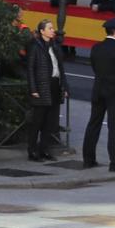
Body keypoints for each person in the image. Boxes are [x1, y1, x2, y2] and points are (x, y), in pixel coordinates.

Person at [82, 18, 115, 171]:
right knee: (114, 128)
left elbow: (94, 67)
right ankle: (114, 162)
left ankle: (88, 159)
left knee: (93, 124)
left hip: (98, 90)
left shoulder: (96, 48)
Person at [26, 19, 65, 161]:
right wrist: (33, 88)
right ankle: (32, 150)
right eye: (49, 28)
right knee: (37, 121)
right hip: (42, 86)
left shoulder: (54, 45)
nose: (53, 30)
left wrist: (64, 87)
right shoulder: (35, 46)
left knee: (49, 122)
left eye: (53, 28)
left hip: (54, 85)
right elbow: (30, 68)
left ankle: (44, 149)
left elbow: (60, 68)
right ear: (42, 31)